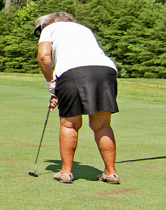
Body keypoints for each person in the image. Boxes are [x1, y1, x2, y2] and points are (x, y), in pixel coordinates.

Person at [36, 12, 120, 184]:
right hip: (106, 71)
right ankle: (111, 172)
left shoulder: (51, 28)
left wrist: (51, 83)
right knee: (102, 125)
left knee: (70, 123)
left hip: (73, 72)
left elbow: (44, 56)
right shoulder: (84, 29)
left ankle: (66, 172)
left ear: (51, 21)